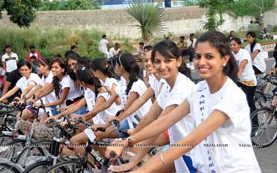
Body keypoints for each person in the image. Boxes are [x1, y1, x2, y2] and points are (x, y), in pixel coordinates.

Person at [106, 31, 261, 173]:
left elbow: (191, 139)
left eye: (209, 57)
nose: (201, 62)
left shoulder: (231, 95)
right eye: (198, 56)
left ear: (225, 59)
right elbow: (164, 120)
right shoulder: (198, 89)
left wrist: (143, 169)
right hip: (204, 164)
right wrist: (127, 142)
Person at [230, 37, 257, 114]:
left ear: (239, 45)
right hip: (239, 80)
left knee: (249, 102)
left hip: (249, 81)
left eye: (234, 44)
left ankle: (255, 124)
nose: (232, 46)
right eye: (231, 45)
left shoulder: (244, 53)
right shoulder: (231, 54)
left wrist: (234, 80)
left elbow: (241, 67)